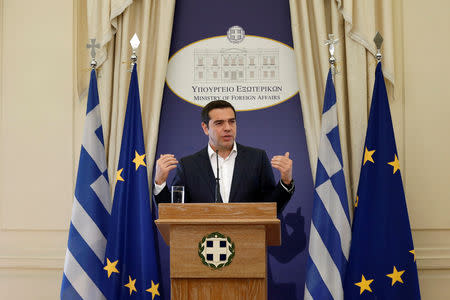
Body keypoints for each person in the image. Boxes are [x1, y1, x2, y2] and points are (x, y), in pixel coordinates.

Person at [153, 100, 294, 212]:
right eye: (219, 123)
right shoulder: (188, 165)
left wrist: (285, 181)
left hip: (248, 242)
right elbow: (174, 213)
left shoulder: (257, 158)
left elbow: (270, 208)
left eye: (231, 121)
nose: (227, 128)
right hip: (202, 244)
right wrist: (160, 182)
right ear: (205, 128)